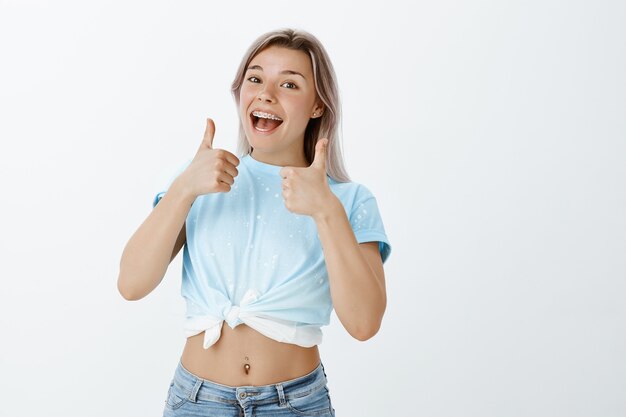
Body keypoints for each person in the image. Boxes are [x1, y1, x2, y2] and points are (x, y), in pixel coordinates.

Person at [117, 27, 392, 417]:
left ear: (318, 106)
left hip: (295, 404)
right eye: (255, 78)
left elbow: (364, 324)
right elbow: (131, 284)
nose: (266, 93)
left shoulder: (347, 200)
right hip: (197, 402)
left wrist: (325, 211)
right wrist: (182, 190)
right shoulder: (201, 177)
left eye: (290, 84)